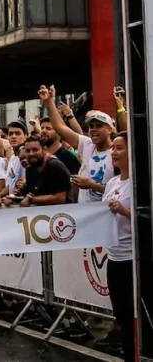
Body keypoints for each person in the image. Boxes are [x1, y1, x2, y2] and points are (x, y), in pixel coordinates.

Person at [103, 132, 137, 360]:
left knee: (136, 316)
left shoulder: (139, 183)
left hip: (133, 259)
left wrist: (124, 211)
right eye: (112, 148)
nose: (114, 152)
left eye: (119, 148)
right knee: (121, 315)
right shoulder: (112, 183)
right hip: (113, 258)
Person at [15, 136, 71, 207]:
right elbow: (31, 193)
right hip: (41, 213)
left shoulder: (55, 166)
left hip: (63, 212)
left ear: (44, 150)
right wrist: (18, 194)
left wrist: (31, 200)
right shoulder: (30, 169)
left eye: (35, 150)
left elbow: (61, 198)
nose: (31, 153)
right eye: (28, 151)